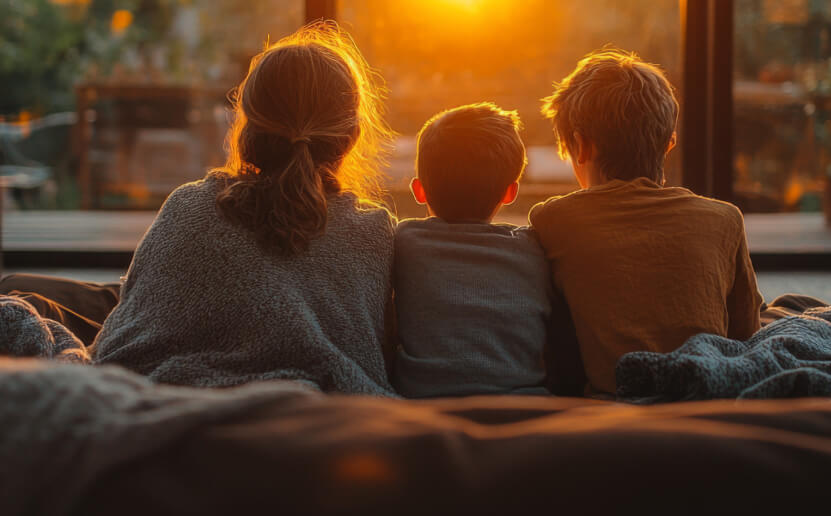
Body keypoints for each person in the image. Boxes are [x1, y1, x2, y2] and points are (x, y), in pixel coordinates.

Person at [92, 23, 398, 394]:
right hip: (315, 426)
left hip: (167, 405)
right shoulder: (374, 233)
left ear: (246, 126)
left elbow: (123, 329)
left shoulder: (187, 206)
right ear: (351, 138)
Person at [529, 49, 763, 396]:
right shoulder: (725, 218)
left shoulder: (553, 219)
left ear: (580, 146)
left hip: (611, 403)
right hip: (708, 397)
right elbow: (747, 334)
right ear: (670, 143)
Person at [393, 103, 553, 397]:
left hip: (425, 406)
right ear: (510, 193)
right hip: (523, 407)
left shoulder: (403, 241)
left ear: (419, 190)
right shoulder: (535, 250)